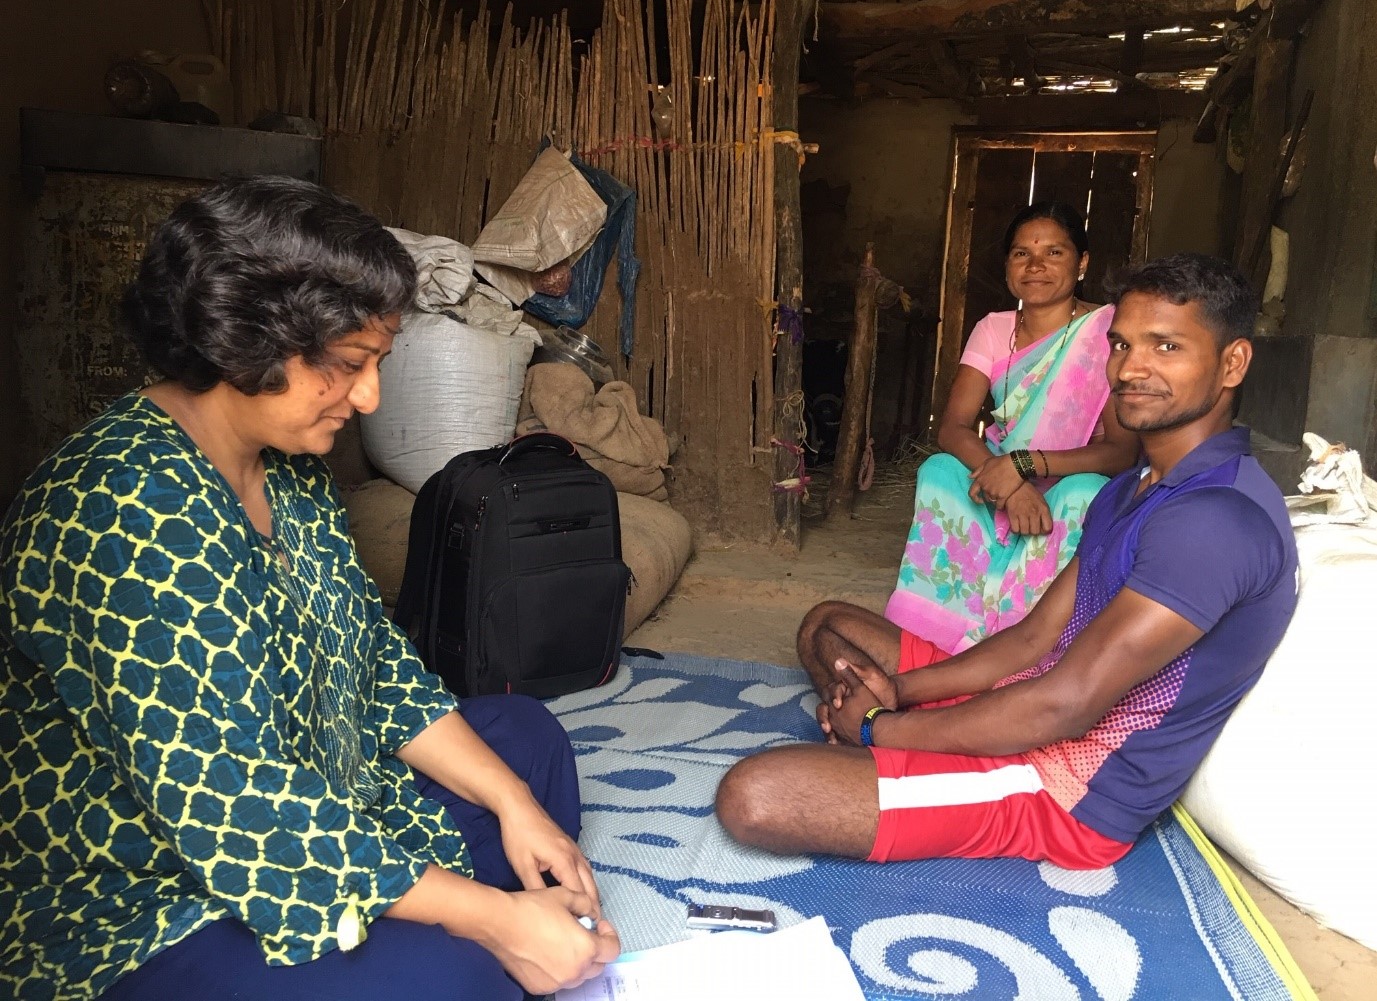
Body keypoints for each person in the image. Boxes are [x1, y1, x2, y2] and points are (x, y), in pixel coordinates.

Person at [0, 177, 619, 1001]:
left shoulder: (290, 471)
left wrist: (513, 805)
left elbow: (374, 666)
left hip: (315, 793)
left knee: (525, 744)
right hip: (151, 884)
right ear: (240, 339)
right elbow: (233, 804)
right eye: (348, 366)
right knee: (453, 975)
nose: (368, 397)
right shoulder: (125, 509)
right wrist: (494, 919)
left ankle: (467, 916)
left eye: (377, 363)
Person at [716, 253, 1297, 870]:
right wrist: (899, 693)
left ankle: (892, 760)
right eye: (1122, 344)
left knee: (755, 794)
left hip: (1064, 790)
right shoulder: (1139, 487)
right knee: (826, 626)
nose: (1131, 368)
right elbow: (1031, 640)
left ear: (1232, 362)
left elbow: (1068, 704)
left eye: (1167, 347)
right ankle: (903, 757)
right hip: (1029, 697)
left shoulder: (1215, 520)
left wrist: (880, 725)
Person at [887, 201, 1140, 653]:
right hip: (998, 479)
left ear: (1082, 263)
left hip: (1065, 482)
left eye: (1055, 253)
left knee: (1085, 493)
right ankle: (943, 631)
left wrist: (1024, 464)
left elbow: (1122, 452)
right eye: (1022, 253)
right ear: (1008, 265)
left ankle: (1031, 637)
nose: (1036, 265)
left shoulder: (1106, 332)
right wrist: (1009, 481)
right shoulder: (993, 328)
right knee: (939, 471)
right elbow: (953, 428)